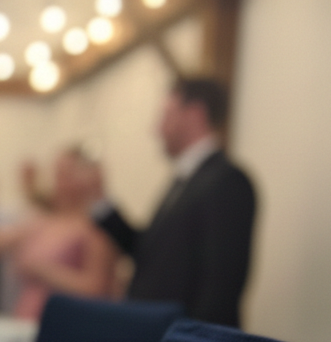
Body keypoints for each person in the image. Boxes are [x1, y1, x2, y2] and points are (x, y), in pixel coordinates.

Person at [90, 77, 256, 326]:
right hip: (157, 333)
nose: (157, 129)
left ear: (195, 114)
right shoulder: (186, 180)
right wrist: (99, 199)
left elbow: (220, 286)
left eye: (166, 115)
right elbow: (148, 252)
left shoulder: (227, 181)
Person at [0, 147, 121, 322]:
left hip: (68, 321)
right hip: (28, 318)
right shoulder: (39, 222)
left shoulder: (95, 229)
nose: (60, 182)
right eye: (57, 174)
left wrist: (43, 271)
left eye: (67, 175)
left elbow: (98, 288)